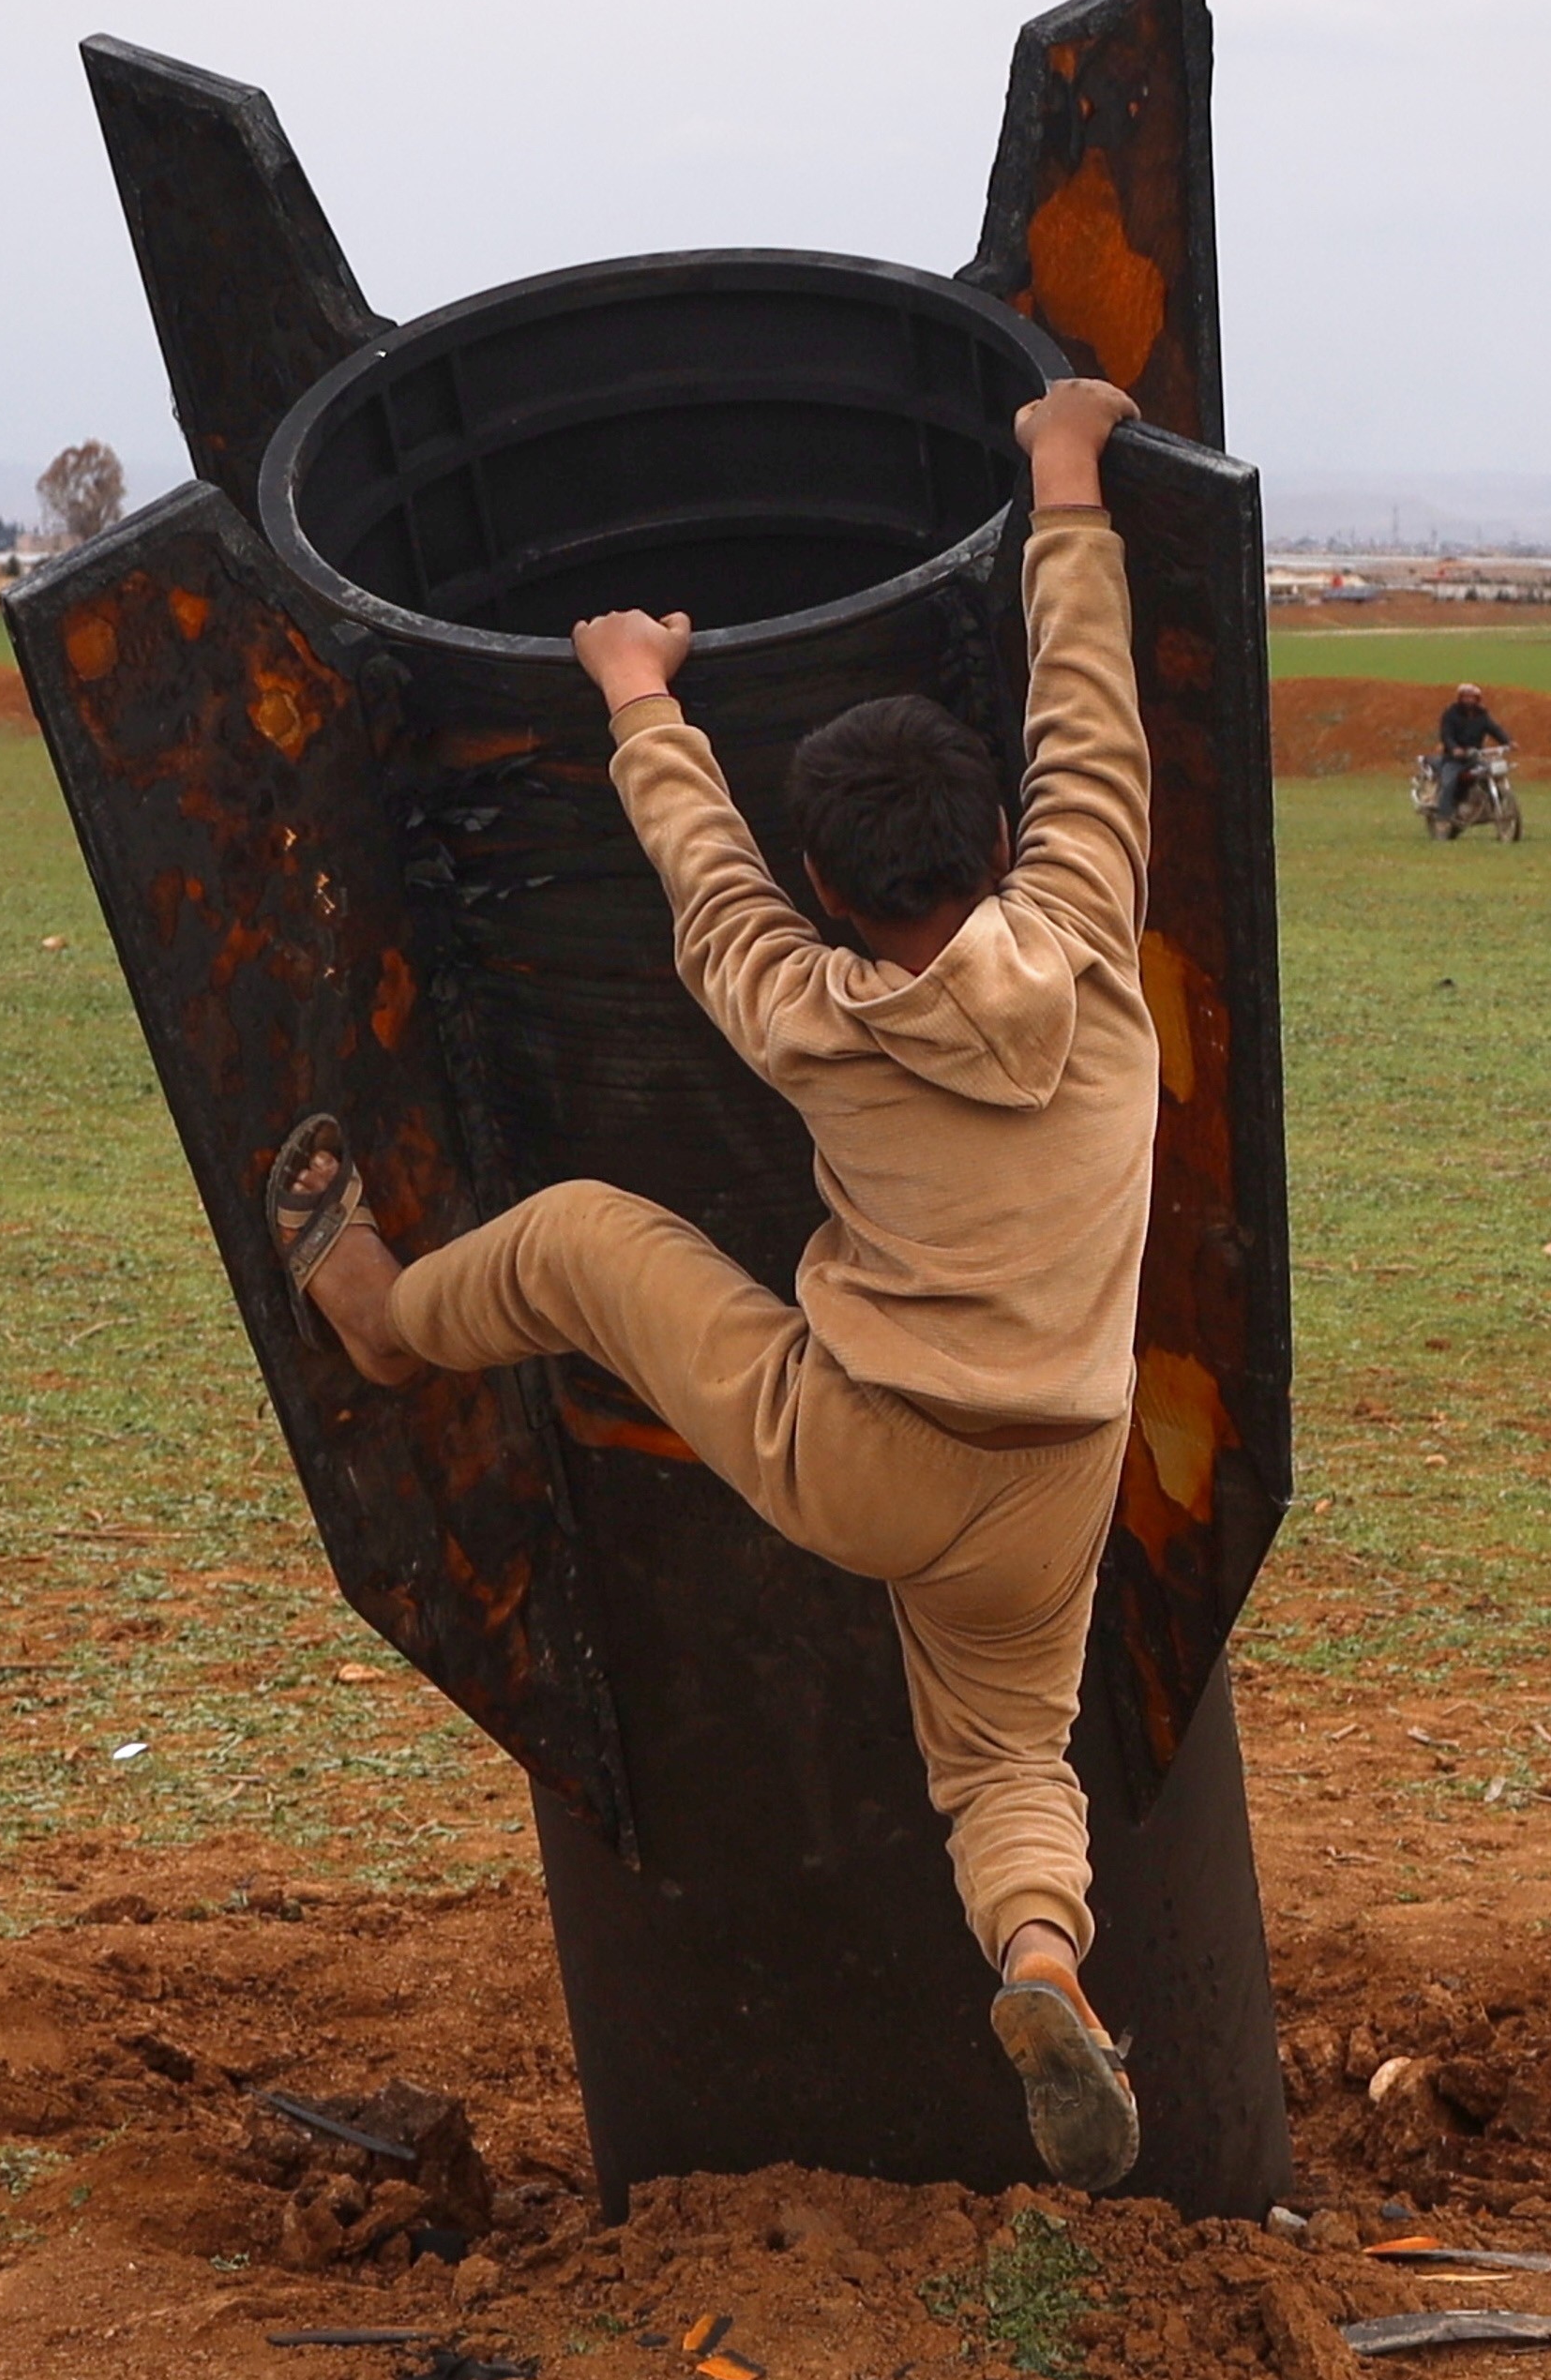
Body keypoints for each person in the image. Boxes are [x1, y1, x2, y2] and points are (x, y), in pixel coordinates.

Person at [268, 375, 1159, 2192]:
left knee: (588, 1238)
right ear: (1000, 843)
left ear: (831, 885)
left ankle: (379, 1321)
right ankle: (1043, 1959)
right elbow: (1091, 713)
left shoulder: (813, 1012)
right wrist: (1062, 470)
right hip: (1058, 1471)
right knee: (1006, 1752)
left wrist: (635, 691)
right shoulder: (1090, 933)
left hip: (859, 1447)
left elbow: (706, 888)